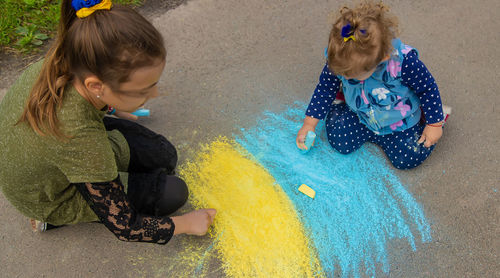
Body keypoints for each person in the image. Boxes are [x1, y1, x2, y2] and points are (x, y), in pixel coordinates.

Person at [0, 0, 216, 244]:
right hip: (49, 194)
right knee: (173, 192)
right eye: (141, 91)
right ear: (97, 86)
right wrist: (186, 224)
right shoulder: (81, 140)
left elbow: (79, 120)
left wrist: (113, 106)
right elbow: (126, 225)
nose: (154, 96)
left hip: (49, 151)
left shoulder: (70, 57)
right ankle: (49, 219)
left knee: (165, 157)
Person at [296, 1, 449, 170]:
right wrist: (309, 124)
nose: (343, 77)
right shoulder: (342, 57)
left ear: (381, 59)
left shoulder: (403, 64)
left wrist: (434, 124)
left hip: (399, 123)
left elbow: (427, 89)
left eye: (351, 75)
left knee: (408, 157)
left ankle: (429, 121)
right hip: (362, 115)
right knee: (339, 140)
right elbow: (325, 87)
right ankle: (342, 106)